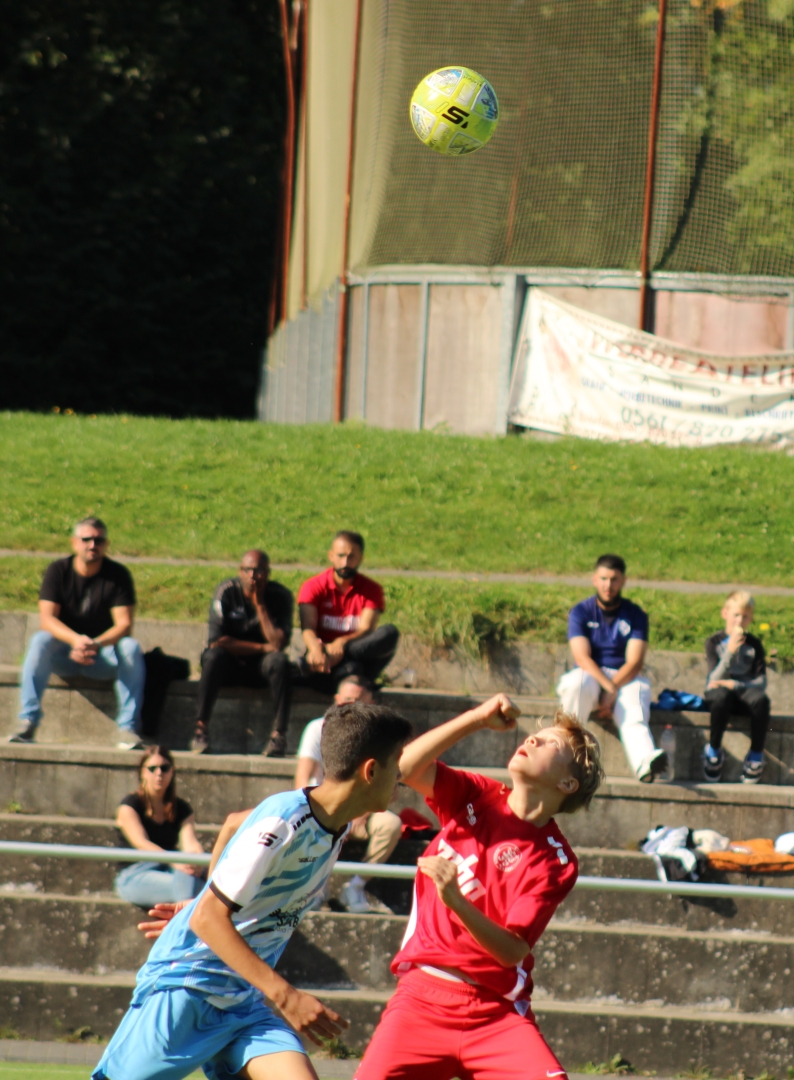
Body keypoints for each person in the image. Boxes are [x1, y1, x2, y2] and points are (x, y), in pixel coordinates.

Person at [92, 700, 413, 1080]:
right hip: (187, 986)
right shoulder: (285, 821)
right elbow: (207, 917)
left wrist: (210, 897)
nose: (402, 776)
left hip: (243, 1004)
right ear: (371, 771)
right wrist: (286, 995)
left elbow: (232, 824)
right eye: (397, 763)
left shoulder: (334, 821)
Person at [353, 699, 604, 1080]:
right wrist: (475, 719)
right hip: (421, 998)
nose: (533, 740)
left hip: (495, 1013)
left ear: (567, 784)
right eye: (535, 736)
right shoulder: (480, 795)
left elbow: (512, 951)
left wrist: (455, 900)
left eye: (550, 743)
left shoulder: (556, 860)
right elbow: (406, 768)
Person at [10, 516, 146, 749]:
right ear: (74, 542)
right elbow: (47, 619)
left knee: (130, 647)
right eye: (86, 539)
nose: (93, 545)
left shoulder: (118, 575)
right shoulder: (58, 571)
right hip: (64, 656)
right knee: (40, 640)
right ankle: (27, 722)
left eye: (99, 540)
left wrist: (96, 644)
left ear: (106, 544)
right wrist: (76, 641)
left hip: (101, 657)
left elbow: (124, 625)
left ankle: (128, 728)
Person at [294, 675, 402, 914]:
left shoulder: (377, 737)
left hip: (361, 810)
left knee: (391, 824)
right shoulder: (317, 728)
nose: (352, 706)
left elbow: (378, 782)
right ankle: (315, 888)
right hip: (324, 808)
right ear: (336, 700)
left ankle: (355, 886)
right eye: (347, 700)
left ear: (371, 703)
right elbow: (302, 778)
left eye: (359, 701)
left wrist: (360, 814)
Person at [556, 553, 666, 783]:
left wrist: (612, 688)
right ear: (595, 579)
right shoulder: (581, 611)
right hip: (591, 676)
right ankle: (563, 755)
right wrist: (608, 688)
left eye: (614, 579)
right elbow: (582, 657)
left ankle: (645, 762)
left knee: (637, 695)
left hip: (624, 678)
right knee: (576, 683)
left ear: (623, 581)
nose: (609, 585)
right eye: (604, 579)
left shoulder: (636, 615)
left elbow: (634, 662)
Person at [190, 549, 294, 757]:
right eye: (248, 570)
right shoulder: (226, 591)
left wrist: (260, 604)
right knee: (212, 657)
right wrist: (261, 647)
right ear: (239, 571)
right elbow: (217, 640)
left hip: (262, 668)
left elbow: (277, 643)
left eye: (259, 571)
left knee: (280, 662)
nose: (253, 576)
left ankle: (279, 736)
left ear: (268, 573)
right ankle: (200, 730)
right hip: (231, 664)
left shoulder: (281, 596)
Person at [296, 531, 399, 695]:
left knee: (389, 633)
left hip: (354, 653)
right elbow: (308, 628)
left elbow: (366, 628)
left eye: (351, 557)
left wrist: (341, 643)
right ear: (331, 556)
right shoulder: (312, 586)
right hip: (322, 661)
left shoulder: (372, 589)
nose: (345, 562)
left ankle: (344, 662)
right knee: (353, 668)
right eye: (340, 556)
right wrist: (316, 649)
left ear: (361, 558)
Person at [115, 746, 206, 908]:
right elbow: (141, 843)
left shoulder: (181, 808)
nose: (159, 773)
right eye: (152, 768)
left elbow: (190, 842)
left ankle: (186, 918)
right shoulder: (130, 805)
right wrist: (176, 861)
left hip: (168, 869)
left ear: (172, 772)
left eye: (164, 768)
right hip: (135, 873)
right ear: (142, 773)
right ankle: (188, 920)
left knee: (189, 876)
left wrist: (196, 859)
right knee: (195, 886)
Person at [703, 590, 770, 784]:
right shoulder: (714, 642)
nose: (739, 620)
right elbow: (714, 678)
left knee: (761, 700)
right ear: (725, 614)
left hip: (744, 693)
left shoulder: (754, 644)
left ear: (751, 619)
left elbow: (761, 682)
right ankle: (713, 751)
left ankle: (755, 755)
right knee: (721, 696)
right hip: (719, 696)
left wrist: (737, 684)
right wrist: (730, 652)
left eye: (745, 616)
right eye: (736, 615)